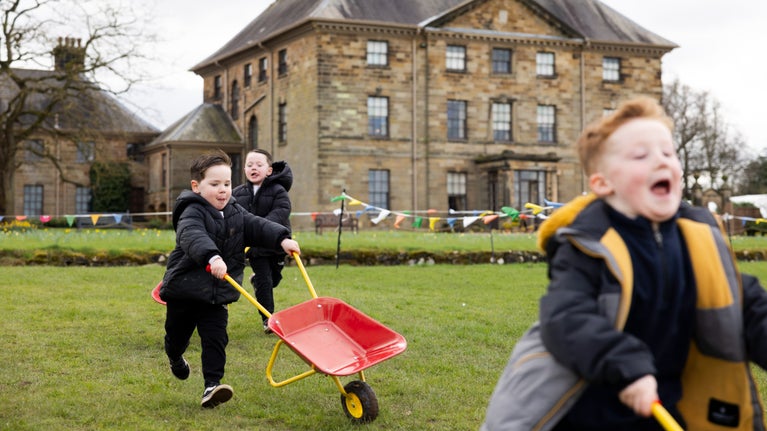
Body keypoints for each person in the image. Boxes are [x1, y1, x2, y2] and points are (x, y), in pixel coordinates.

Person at [481, 97, 767, 430]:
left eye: (667, 152)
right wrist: (627, 366)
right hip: (592, 409)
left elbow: (743, 302)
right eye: (641, 155)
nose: (661, 161)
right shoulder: (587, 244)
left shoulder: (697, 237)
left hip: (667, 407)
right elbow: (567, 317)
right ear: (603, 184)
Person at [159, 149, 300, 408]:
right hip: (186, 290)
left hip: (217, 293)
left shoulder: (235, 210)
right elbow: (192, 236)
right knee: (177, 337)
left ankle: (211, 386)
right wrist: (212, 257)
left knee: (216, 338)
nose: (223, 190)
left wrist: (282, 238)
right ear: (196, 186)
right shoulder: (191, 211)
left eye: (227, 184)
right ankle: (175, 357)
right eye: (214, 184)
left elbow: (256, 225)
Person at [232, 149, 292, 334]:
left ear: (269, 170)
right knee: (265, 282)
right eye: (250, 165)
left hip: (277, 243)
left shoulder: (278, 191)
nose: (254, 168)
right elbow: (233, 215)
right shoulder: (237, 194)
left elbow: (282, 211)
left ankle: (256, 282)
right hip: (256, 247)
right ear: (244, 169)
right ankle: (268, 319)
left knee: (274, 279)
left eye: (259, 165)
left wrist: (264, 226)